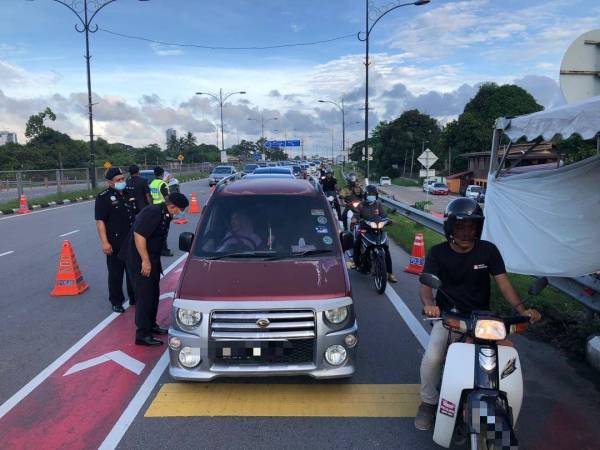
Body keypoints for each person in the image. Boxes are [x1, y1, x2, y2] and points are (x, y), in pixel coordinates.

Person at [414, 198, 542, 431]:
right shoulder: (437, 253)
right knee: (433, 356)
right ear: (450, 227)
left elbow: (504, 285)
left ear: (478, 228)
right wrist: (430, 305)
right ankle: (428, 402)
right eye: (460, 226)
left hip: (483, 318)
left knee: (505, 357)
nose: (465, 232)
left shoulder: (488, 251)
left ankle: (500, 404)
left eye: (471, 226)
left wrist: (523, 311)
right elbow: (426, 287)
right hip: (449, 317)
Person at [119, 192, 189, 346]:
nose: (181, 213)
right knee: (145, 297)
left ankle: (151, 326)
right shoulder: (153, 212)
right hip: (139, 260)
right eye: (180, 209)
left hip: (152, 258)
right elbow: (139, 235)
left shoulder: (165, 213)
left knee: (153, 294)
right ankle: (142, 334)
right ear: (172, 206)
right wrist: (145, 260)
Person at [95, 167, 137, 313]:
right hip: (115, 243)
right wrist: (104, 242)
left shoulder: (128, 192)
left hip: (132, 241)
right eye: (118, 180)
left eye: (122, 179)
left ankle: (134, 297)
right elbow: (100, 221)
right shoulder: (103, 197)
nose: (121, 182)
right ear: (110, 183)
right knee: (115, 274)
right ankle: (116, 301)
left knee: (133, 272)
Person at [352, 185, 398, 282]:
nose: (371, 196)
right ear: (365, 195)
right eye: (369, 194)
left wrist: (389, 221)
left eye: (373, 194)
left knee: (386, 249)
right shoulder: (361, 205)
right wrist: (354, 219)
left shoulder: (378, 204)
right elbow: (356, 214)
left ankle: (390, 273)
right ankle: (356, 263)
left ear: (376, 195)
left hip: (378, 229)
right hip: (364, 229)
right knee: (356, 243)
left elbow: (384, 216)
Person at [149, 166, 173, 257]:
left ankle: (156, 247)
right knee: (164, 230)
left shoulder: (152, 183)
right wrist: (170, 211)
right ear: (162, 174)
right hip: (163, 208)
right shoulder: (162, 184)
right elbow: (167, 198)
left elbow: (150, 196)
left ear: (154, 174)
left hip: (154, 207)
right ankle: (164, 250)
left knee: (157, 229)